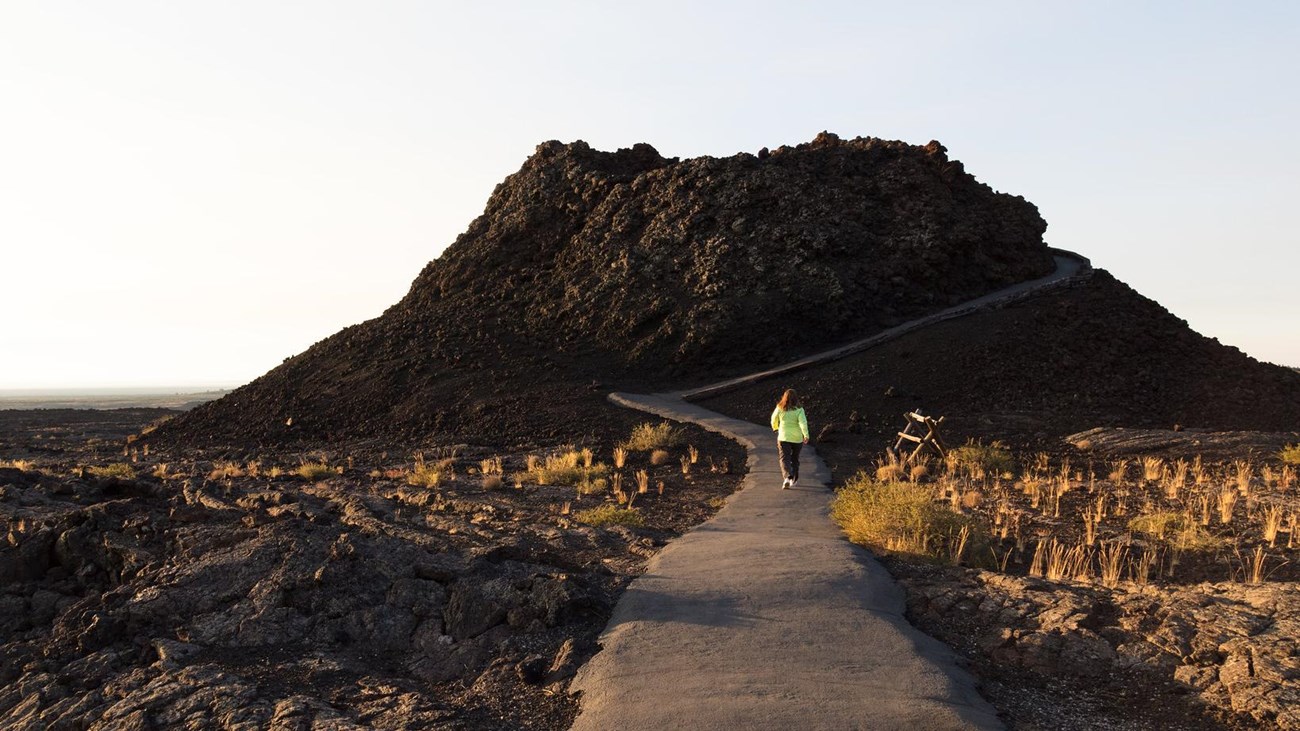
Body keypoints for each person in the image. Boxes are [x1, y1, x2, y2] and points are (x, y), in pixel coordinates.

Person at [770, 389, 809, 489]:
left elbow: (774, 418)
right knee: (794, 459)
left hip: (783, 437)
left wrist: (775, 428)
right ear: (796, 398)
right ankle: (794, 480)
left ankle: (787, 477)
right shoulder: (799, 409)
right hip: (797, 438)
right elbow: (803, 423)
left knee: (784, 458)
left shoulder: (780, 407)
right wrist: (806, 435)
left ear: (784, 397)